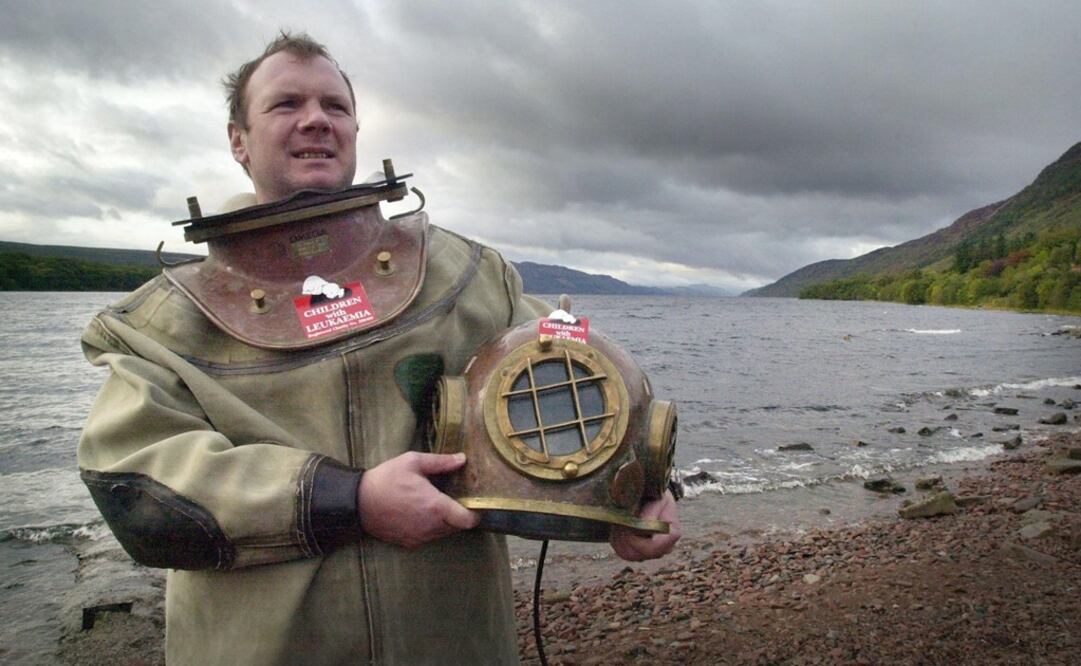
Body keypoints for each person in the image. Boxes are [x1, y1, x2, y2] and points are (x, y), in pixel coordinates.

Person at [78, 31, 680, 664]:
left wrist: (637, 488)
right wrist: (353, 501)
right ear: (238, 140)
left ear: (356, 129)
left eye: (334, 107)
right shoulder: (165, 326)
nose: (315, 120)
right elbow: (138, 488)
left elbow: (582, 373)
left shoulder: (465, 276)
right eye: (286, 105)